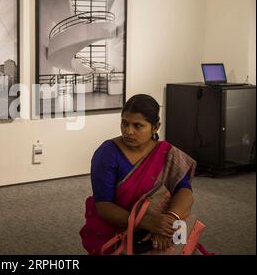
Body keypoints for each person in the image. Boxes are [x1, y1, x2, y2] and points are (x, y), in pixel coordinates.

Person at [80, 94, 198, 254]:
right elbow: (104, 206)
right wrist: (147, 222)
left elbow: (184, 191)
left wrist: (169, 221)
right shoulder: (107, 154)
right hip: (120, 227)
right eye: (124, 123)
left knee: (185, 246)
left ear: (155, 127)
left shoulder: (167, 153)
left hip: (164, 221)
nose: (128, 131)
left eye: (138, 126)